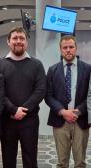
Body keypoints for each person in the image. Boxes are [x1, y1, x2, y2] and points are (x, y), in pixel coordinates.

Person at [0, 27, 46, 168]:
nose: (18, 41)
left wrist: (23, 110)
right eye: (15, 38)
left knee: (30, 160)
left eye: (22, 38)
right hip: (6, 121)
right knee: (8, 160)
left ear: (26, 42)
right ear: (8, 41)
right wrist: (13, 110)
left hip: (30, 121)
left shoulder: (37, 64)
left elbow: (40, 90)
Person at [46, 35, 91, 168]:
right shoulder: (52, 70)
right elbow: (48, 95)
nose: (68, 50)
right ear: (60, 50)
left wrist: (77, 111)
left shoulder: (88, 69)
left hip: (80, 120)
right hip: (60, 121)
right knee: (61, 163)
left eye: (71, 47)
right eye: (65, 47)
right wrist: (62, 111)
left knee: (80, 163)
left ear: (76, 49)